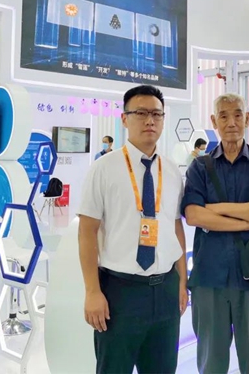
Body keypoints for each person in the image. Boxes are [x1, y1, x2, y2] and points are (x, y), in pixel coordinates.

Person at [78, 85, 188, 374]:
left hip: (165, 289)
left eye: (156, 114)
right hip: (119, 292)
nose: (150, 120)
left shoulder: (172, 171)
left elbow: (175, 226)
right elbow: (87, 231)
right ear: (125, 118)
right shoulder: (103, 168)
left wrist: (182, 280)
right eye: (141, 113)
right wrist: (92, 291)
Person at [182, 93, 249, 374]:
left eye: (238, 115)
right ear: (214, 121)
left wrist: (217, 211)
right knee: (211, 364)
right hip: (210, 279)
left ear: (247, 118)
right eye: (224, 116)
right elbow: (194, 215)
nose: (231, 122)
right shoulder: (200, 167)